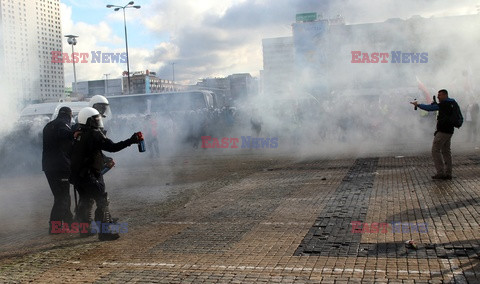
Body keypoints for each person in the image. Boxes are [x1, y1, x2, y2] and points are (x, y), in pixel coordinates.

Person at [70, 107, 140, 241]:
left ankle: (84, 230)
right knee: (102, 201)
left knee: (85, 200)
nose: (98, 121)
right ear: (88, 120)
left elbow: (85, 152)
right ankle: (105, 232)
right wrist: (131, 140)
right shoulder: (94, 134)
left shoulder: (78, 134)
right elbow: (113, 147)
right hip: (90, 175)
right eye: (95, 119)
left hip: (78, 176)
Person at [411, 89, 459, 180]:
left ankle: (440, 172)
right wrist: (436, 105)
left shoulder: (445, 104)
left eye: (439, 95)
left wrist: (418, 105)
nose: (438, 97)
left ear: (445, 95)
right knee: (446, 152)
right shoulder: (451, 103)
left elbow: (430, 108)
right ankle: (448, 173)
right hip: (449, 130)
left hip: (443, 131)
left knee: (435, 150)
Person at [42, 106, 74, 233]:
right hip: (60, 166)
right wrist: (73, 134)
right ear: (69, 115)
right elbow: (63, 134)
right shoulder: (64, 124)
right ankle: (54, 226)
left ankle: (69, 221)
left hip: (48, 166)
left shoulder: (48, 125)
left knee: (60, 195)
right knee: (63, 197)